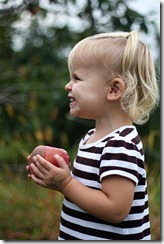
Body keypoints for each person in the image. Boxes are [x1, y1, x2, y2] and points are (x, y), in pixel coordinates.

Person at [26, 31, 159, 240]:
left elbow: (115, 210)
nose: (67, 85)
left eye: (77, 78)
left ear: (114, 89)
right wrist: (58, 176)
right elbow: (87, 192)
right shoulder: (91, 137)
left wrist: (65, 183)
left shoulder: (121, 144)